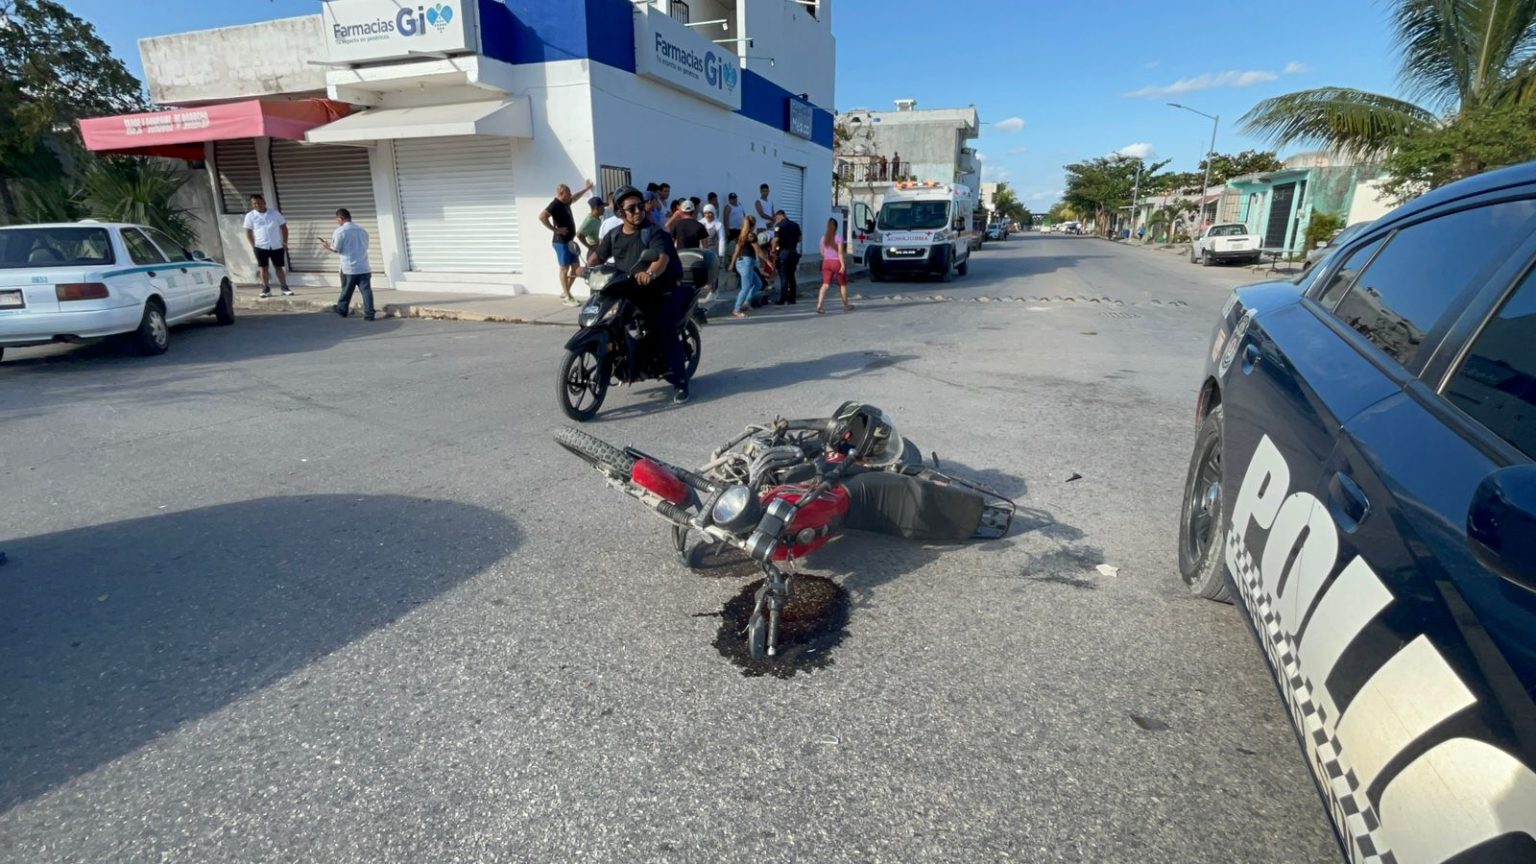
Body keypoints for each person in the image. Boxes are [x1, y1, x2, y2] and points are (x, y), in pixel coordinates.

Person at [586, 186, 690, 404]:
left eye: (640, 206)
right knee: (611, 322)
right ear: (620, 213)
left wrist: (650, 273)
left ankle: (681, 383)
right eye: (631, 208)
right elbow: (597, 257)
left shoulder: (653, 232)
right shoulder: (614, 236)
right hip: (627, 290)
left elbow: (661, 258)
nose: (637, 211)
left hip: (658, 290)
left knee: (665, 330)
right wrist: (585, 268)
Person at [539, 178, 594, 306]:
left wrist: (586, 189)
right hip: (560, 242)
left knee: (575, 269)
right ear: (562, 193)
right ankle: (568, 297)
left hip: (569, 241)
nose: (570, 195)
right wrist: (555, 229)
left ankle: (566, 292)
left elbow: (575, 197)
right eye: (568, 193)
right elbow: (542, 216)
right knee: (564, 268)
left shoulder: (565, 203)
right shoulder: (555, 205)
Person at [319, 208, 375, 320]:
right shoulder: (362, 230)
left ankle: (342, 309)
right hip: (364, 266)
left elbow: (336, 249)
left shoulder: (340, 231)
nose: (337, 221)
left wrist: (327, 246)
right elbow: (365, 246)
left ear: (341, 218)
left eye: (337, 219)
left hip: (349, 268)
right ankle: (369, 314)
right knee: (366, 291)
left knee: (346, 290)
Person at [243, 194, 292, 298]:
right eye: (254, 203)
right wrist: (253, 246)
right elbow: (248, 232)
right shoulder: (250, 216)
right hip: (260, 246)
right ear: (252, 205)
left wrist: (284, 242)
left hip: (276, 245)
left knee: (279, 267)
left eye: (259, 202)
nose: (257, 205)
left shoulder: (274, 213)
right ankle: (266, 289)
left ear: (264, 202)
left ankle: (284, 288)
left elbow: (284, 227)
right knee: (263, 268)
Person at [729, 215, 765, 318]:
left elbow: (736, 251)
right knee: (745, 287)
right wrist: (767, 261)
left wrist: (732, 263)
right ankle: (736, 309)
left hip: (741, 262)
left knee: (758, 283)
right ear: (753, 225)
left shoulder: (741, 235)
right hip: (747, 262)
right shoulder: (751, 235)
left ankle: (746, 302)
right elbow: (758, 250)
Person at [816, 217, 852, 314]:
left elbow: (822, 252)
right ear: (836, 227)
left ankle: (819, 304)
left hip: (826, 263)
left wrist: (828, 255)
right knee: (843, 285)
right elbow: (840, 252)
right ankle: (846, 305)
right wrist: (843, 265)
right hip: (836, 262)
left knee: (825, 284)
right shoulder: (838, 237)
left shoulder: (823, 238)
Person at [770, 209, 802, 305]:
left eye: (776, 218)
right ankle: (792, 299)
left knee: (783, 276)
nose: (776, 220)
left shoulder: (779, 226)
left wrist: (773, 251)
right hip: (793, 253)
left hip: (783, 254)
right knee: (791, 276)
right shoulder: (795, 225)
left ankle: (783, 299)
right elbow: (800, 238)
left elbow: (775, 240)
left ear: (778, 216)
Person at [700, 203, 724, 293]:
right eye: (705, 213)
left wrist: (721, 255)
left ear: (713, 213)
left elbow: (722, 240)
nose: (708, 215)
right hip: (701, 250)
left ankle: (714, 290)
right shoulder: (700, 223)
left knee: (713, 271)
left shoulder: (718, 224)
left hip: (713, 250)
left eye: (710, 212)